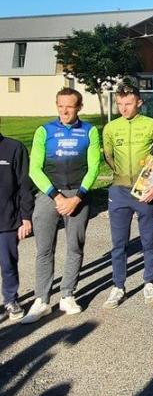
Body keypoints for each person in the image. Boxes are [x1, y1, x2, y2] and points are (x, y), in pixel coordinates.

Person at [22, 88, 101, 323]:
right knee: (44, 250)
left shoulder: (90, 131)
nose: (65, 110)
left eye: (70, 106)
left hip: (78, 194)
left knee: (74, 247)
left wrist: (77, 198)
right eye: (60, 105)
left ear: (79, 107)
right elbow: (34, 169)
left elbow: (94, 167)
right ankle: (42, 300)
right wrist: (57, 197)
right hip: (49, 195)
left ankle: (67, 294)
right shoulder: (44, 131)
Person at [101, 83, 153, 308]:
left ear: (139, 102)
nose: (123, 108)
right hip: (119, 190)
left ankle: (149, 281)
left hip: (145, 190)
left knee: (149, 239)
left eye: (128, 104)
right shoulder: (110, 128)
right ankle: (118, 286)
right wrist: (122, 176)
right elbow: (109, 158)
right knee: (118, 243)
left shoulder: (152, 125)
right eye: (119, 104)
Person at [0, 129, 33, 322]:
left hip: (7, 220)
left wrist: (26, 217)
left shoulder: (14, 148)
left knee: (8, 264)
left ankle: (11, 300)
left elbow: (24, 186)